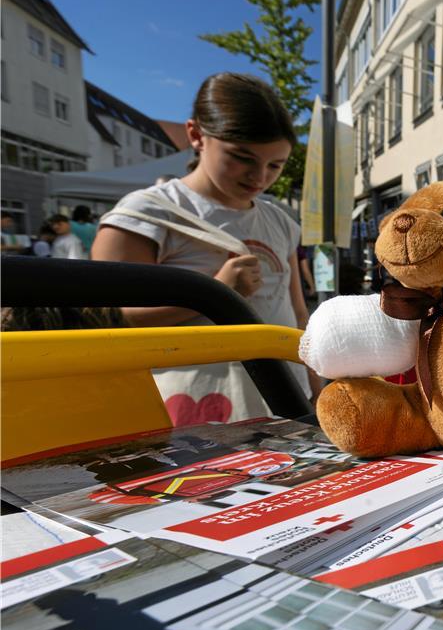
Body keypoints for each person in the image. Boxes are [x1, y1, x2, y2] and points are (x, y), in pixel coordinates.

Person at [92, 72, 319, 425]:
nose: (259, 177)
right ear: (197, 135)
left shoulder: (281, 222)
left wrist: (319, 394)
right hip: (189, 414)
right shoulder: (145, 214)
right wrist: (217, 292)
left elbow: (297, 315)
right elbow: (105, 324)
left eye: (275, 165)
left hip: (288, 401)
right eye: (241, 157)